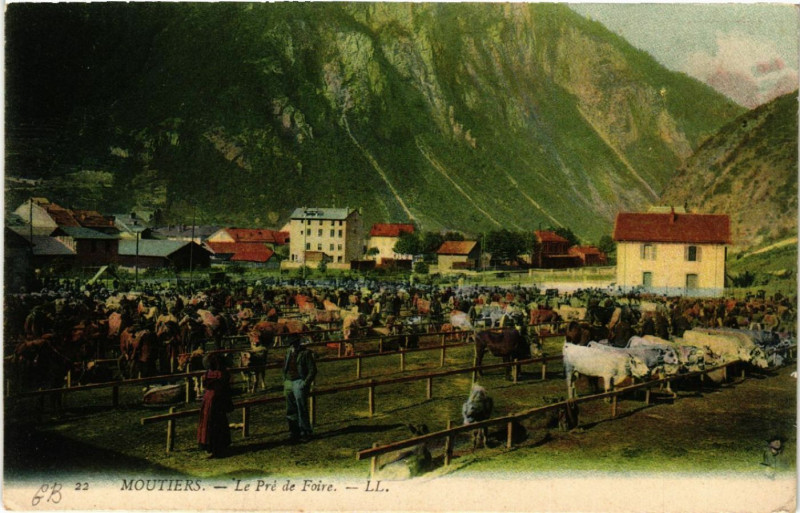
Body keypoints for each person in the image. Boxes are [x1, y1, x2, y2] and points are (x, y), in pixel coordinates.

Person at [196, 353, 233, 458]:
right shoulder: (223, 373)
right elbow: (226, 387)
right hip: (217, 399)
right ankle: (218, 447)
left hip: (209, 399)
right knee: (218, 423)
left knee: (210, 422)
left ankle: (212, 447)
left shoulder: (208, 373)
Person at [282, 334, 317, 443]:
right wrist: (285, 380)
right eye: (292, 344)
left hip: (299, 382)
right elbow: (285, 366)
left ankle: (305, 431)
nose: (293, 346)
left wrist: (305, 383)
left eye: (295, 343)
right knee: (290, 408)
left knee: (301, 407)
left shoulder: (305, 353)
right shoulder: (288, 352)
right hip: (289, 382)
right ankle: (294, 431)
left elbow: (313, 370)